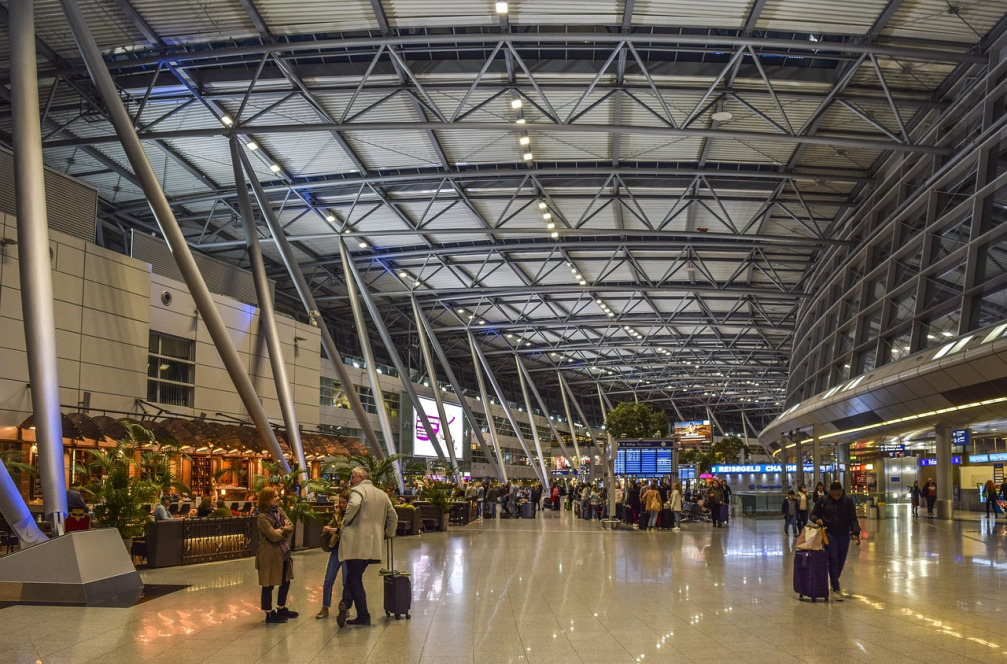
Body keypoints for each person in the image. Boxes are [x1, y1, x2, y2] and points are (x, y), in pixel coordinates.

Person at [337, 467, 397, 627]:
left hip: (356, 543)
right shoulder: (382, 494)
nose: (351, 480)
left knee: (354, 578)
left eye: (353, 477)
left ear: (360, 477)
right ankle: (346, 602)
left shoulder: (357, 491)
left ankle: (363, 614)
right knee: (353, 576)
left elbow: (354, 504)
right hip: (373, 545)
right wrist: (389, 533)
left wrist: (345, 523)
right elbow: (393, 516)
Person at [811, 481, 861, 601]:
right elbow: (812, 515)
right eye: (834, 495)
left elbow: (853, 518)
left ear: (841, 491)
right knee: (833, 558)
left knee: (841, 560)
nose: (836, 497)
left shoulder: (848, 501)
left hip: (844, 534)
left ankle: (834, 582)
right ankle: (836, 588)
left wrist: (856, 533)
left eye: (838, 495)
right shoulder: (823, 500)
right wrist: (817, 520)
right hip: (829, 533)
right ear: (831, 492)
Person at [256, 487, 297, 624]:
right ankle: (268, 613)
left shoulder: (280, 511)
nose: (278, 498)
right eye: (275, 496)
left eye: (278, 495)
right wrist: (283, 530)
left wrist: (281, 530)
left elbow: (291, 526)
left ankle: (281, 607)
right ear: (266, 500)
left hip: (283, 552)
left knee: (285, 580)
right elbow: (273, 536)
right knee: (268, 583)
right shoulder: (262, 517)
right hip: (269, 555)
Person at [316, 491, 349, 619]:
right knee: (328, 579)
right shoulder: (337, 513)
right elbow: (332, 524)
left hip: (348, 550)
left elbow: (351, 530)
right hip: (336, 548)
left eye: (344, 503)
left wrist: (338, 530)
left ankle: (346, 607)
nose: (342, 505)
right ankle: (325, 607)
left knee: (346, 580)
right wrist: (327, 528)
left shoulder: (352, 515)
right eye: (340, 503)